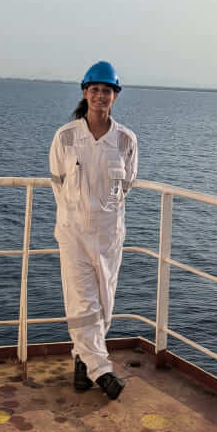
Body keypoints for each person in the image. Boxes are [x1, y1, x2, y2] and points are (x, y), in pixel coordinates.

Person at [49, 60, 137, 400]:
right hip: (72, 231)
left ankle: (82, 362)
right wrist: (77, 212)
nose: (101, 95)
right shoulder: (66, 137)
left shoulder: (126, 140)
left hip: (109, 234)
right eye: (95, 89)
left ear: (114, 96)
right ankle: (102, 371)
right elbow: (57, 182)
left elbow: (126, 184)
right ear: (85, 93)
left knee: (104, 303)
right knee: (82, 302)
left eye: (107, 90)